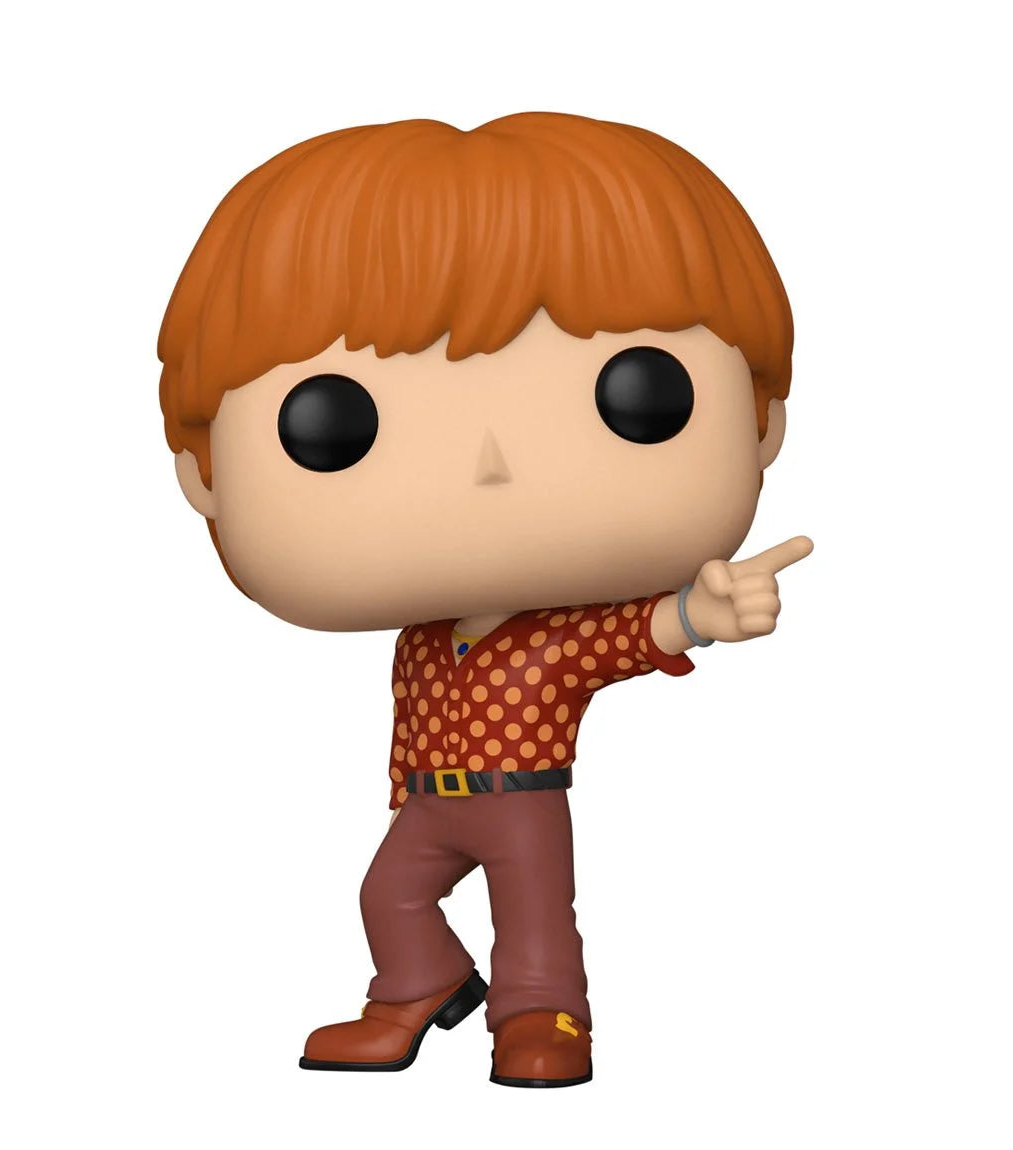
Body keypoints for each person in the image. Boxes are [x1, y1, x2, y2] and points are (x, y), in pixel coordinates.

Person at [158, 112, 811, 1088]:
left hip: (521, 801)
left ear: (762, 423)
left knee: (536, 918)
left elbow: (633, 633)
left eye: (639, 394)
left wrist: (703, 616)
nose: (490, 464)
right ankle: (417, 986)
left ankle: (544, 1016)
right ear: (202, 472)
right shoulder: (427, 634)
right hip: (433, 799)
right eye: (334, 424)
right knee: (387, 894)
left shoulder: (558, 638)